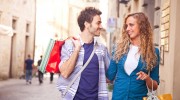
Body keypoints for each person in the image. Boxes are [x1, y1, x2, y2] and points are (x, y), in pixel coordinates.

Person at [57, 7, 110, 100]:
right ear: (86, 24)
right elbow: (65, 73)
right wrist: (77, 50)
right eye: (98, 23)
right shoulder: (70, 45)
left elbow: (110, 76)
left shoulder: (102, 49)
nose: (101, 26)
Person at [106, 12, 160, 100]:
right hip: (118, 97)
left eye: (131, 25)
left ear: (142, 26)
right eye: (126, 26)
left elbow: (154, 86)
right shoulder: (118, 49)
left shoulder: (153, 52)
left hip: (139, 97)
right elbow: (109, 77)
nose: (127, 29)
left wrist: (147, 78)